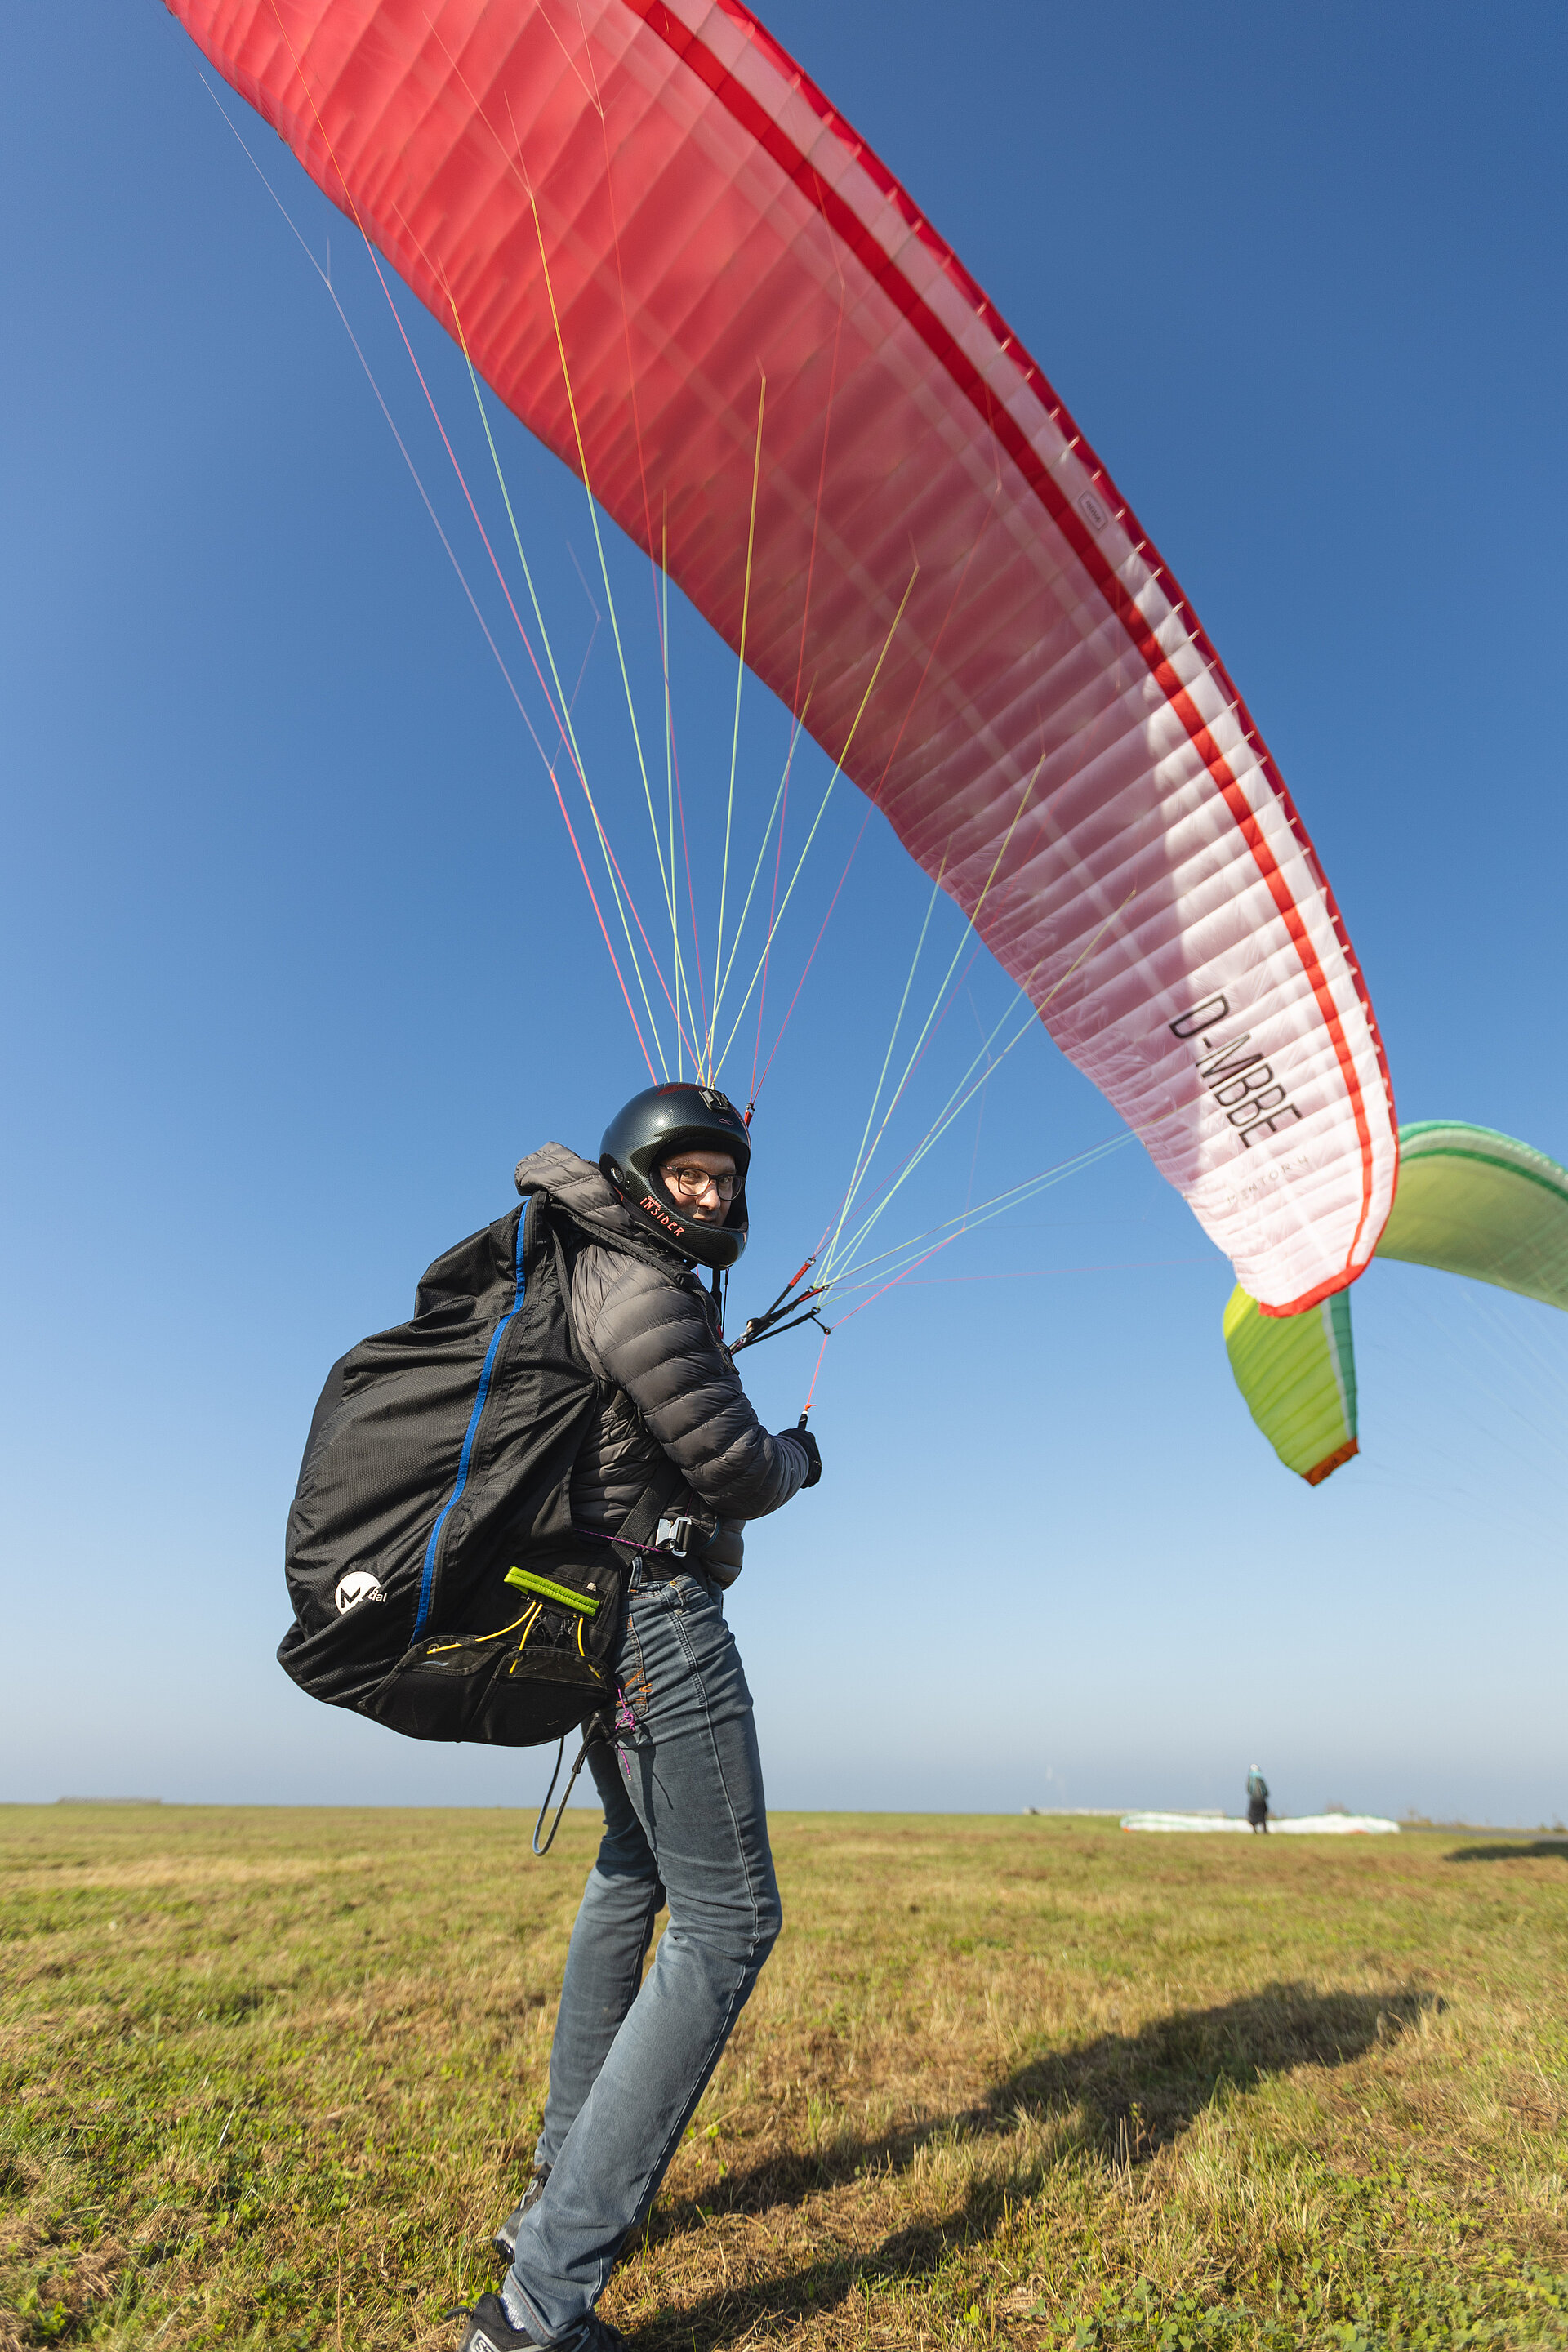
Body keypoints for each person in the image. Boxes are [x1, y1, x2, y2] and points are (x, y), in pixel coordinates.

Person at [457, 1083, 819, 2352]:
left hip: (598, 1618)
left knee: (632, 1873)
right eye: (692, 1174)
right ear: (641, 1175)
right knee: (729, 1923)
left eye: (729, 1176)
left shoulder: (594, 1266)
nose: (715, 1194)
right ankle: (541, 2304)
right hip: (656, 1622)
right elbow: (734, 1468)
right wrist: (800, 1457)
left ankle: (559, 2184)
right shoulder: (642, 1285)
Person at [1246, 1766, 1269, 1833]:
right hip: (1262, 1800)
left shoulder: (1250, 1779)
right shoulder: (1261, 1778)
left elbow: (1249, 1790)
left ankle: (1254, 1829)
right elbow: (1265, 1790)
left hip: (1254, 1800)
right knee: (1263, 1813)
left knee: (1253, 1814)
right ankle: (1264, 1830)